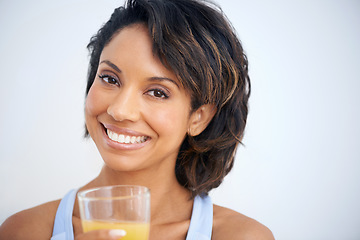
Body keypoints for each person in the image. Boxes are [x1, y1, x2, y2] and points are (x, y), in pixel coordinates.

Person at [0, 0, 274, 239]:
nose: (120, 110)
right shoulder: (24, 231)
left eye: (157, 92)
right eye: (109, 79)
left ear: (198, 117)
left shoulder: (242, 236)